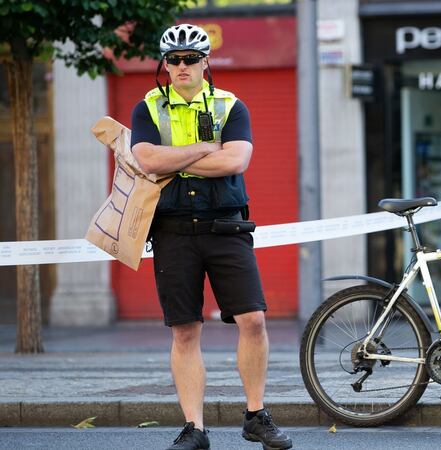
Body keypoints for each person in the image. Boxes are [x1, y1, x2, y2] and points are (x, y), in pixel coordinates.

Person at [130, 24, 292, 450]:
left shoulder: (230, 105)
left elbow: (236, 160)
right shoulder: (148, 107)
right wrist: (206, 149)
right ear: (164, 64)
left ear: (206, 61)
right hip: (172, 230)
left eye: (190, 58)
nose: (181, 66)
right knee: (184, 331)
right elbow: (145, 160)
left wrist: (175, 161)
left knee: (253, 321)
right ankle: (195, 429)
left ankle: (256, 415)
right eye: (174, 59)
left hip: (227, 226)